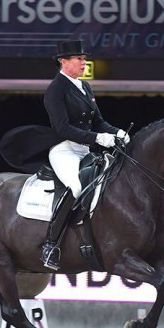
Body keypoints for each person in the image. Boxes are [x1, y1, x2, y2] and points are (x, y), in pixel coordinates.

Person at [41, 39, 129, 270]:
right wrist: (97, 138)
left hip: (85, 150)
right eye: (79, 58)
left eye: (83, 58)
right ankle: (51, 245)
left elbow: (98, 121)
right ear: (63, 61)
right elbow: (62, 128)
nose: (83, 62)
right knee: (77, 186)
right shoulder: (55, 89)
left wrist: (117, 131)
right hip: (64, 150)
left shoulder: (85, 86)